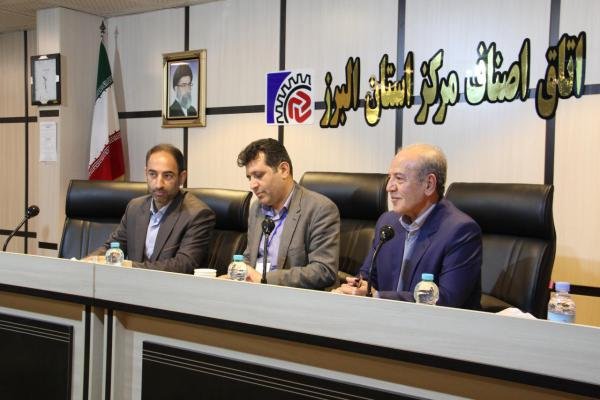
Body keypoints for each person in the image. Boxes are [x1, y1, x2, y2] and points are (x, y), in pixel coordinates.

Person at [334, 143, 482, 309]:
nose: (389, 187)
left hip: (435, 323)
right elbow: (368, 276)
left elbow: (446, 300)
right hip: (384, 319)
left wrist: (377, 296)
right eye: (390, 178)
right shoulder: (388, 222)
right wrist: (356, 287)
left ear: (429, 184)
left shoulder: (460, 231)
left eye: (399, 178)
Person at [86, 144, 215, 274]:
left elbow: (183, 265)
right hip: (130, 284)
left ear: (182, 177)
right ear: (146, 173)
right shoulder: (135, 207)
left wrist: (128, 266)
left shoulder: (198, 215)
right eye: (152, 174)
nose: (158, 184)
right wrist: (87, 262)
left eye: (167, 176)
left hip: (170, 286)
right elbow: (112, 247)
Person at [235, 138, 340, 289]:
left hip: (292, 298)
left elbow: (323, 270)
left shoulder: (320, 209)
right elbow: (250, 256)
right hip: (252, 292)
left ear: (284, 170)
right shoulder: (256, 208)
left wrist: (265, 279)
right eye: (249, 177)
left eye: (258, 175)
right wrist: (236, 272)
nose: (252, 185)